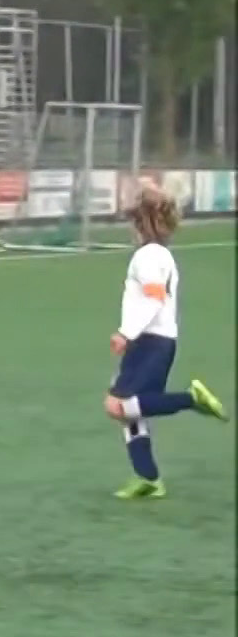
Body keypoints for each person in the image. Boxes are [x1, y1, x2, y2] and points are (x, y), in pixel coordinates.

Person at [102, 185, 227, 500]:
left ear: (141, 223)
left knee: (118, 406)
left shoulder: (148, 257)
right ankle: (148, 478)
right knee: (130, 410)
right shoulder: (160, 255)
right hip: (154, 341)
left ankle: (191, 400)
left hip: (150, 341)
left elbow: (154, 299)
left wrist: (126, 332)